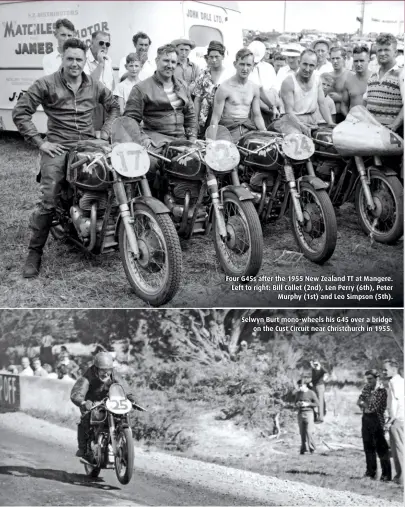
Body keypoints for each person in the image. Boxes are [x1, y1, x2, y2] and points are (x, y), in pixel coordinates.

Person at [12, 38, 120, 278]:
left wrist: (106, 130)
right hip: (59, 146)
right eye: (70, 58)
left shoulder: (94, 84)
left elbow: (114, 106)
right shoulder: (46, 83)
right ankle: (34, 253)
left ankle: (111, 225)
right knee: (49, 197)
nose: (74, 64)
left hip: (90, 143)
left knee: (120, 173)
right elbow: (20, 112)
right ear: (62, 57)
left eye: (79, 59)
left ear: (85, 61)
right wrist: (41, 142)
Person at [124, 44, 197, 180]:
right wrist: (144, 139)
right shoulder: (141, 88)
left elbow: (191, 116)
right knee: (152, 166)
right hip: (156, 143)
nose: (170, 65)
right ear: (157, 61)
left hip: (182, 140)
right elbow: (130, 120)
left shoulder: (182, 86)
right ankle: (151, 198)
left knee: (205, 162)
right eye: (166, 61)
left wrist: (192, 139)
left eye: (173, 62)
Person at [70, 352, 136, 462]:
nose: (106, 374)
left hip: (110, 401)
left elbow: (124, 387)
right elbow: (77, 392)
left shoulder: (114, 374)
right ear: (96, 369)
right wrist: (82, 402)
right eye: (102, 370)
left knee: (122, 416)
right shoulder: (88, 376)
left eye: (108, 370)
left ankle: (122, 440)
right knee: (85, 419)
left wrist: (132, 398)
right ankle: (83, 450)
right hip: (91, 402)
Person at [272, 49, 334, 136]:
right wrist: (302, 126)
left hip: (311, 120)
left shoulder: (317, 80)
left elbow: (322, 104)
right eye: (305, 64)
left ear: (316, 66)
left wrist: (330, 123)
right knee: (298, 141)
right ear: (299, 62)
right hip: (291, 121)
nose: (307, 69)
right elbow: (289, 112)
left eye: (311, 65)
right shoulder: (289, 82)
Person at [210, 48, 266, 143]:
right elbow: (215, 118)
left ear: (253, 66)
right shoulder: (224, 88)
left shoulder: (254, 88)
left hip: (247, 130)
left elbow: (257, 115)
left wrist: (265, 132)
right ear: (235, 64)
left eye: (248, 65)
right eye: (242, 64)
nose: (245, 69)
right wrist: (210, 140)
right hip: (228, 130)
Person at [365, 33, 404, 135]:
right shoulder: (373, 74)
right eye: (379, 50)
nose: (382, 53)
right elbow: (365, 101)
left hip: (393, 136)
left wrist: (394, 126)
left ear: (395, 52)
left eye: (386, 50)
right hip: (372, 133)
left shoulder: (402, 73)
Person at [357, 369, 392, 481]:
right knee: (368, 447)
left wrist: (364, 404)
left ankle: (386, 475)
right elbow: (359, 401)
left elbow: (374, 408)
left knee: (381, 449)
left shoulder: (382, 391)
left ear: (377, 378)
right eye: (367, 379)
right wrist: (364, 404)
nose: (369, 381)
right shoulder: (367, 388)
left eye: (371, 379)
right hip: (366, 419)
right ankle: (371, 473)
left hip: (377, 420)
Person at [193, 41, 232, 133]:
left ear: (222, 57)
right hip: (205, 117)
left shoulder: (229, 75)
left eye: (217, 57)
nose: (214, 60)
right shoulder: (203, 75)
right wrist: (195, 122)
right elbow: (197, 100)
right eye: (211, 57)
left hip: (224, 116)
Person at [248, 41, 280, 126]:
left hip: (270, 112)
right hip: (252, 112)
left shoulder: (269, 68)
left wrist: (272, 106)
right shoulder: (246, 69)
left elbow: (275, 90)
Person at [383, 359, 404, 484]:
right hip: (396, 419)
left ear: (394, 370)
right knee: (395, 450)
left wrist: (391, 419)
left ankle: (402, 479)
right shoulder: (395, 382)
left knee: (399, 449)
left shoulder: (396, 382)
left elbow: (398, 403)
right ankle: (399, 477)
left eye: (385, 369)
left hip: (398, 420)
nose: (383, 372)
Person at [341, 45, 371, 116]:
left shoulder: (375, 79)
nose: (358, 64)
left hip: (371, 122)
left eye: (362, 61)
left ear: (368, 61)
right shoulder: (348, 81)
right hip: (353, 122)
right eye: (356, 61)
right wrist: (349, 119)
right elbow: (344, 105)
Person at [328, 46, 353, 123]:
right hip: (328, 115)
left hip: (345, 116)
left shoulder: (351, 75)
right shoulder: (326, 76)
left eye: (338, 58)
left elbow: (356, 98)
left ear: (344, 59)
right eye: (333, 58)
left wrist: (340, 98)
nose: (335, 61)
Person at [295, 378, 319, 455]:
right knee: (302, 432)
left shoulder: (311, 393)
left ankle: (312, 449)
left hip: (309, 413)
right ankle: (303, 449)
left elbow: (317, 403)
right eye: (299, 386)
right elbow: (295, 402)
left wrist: (308, 404)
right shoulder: (298, 393)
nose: (299, 387)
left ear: (305, 385)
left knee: (309, 432)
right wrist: (298, 404)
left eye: (301, 385)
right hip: (300, 413)